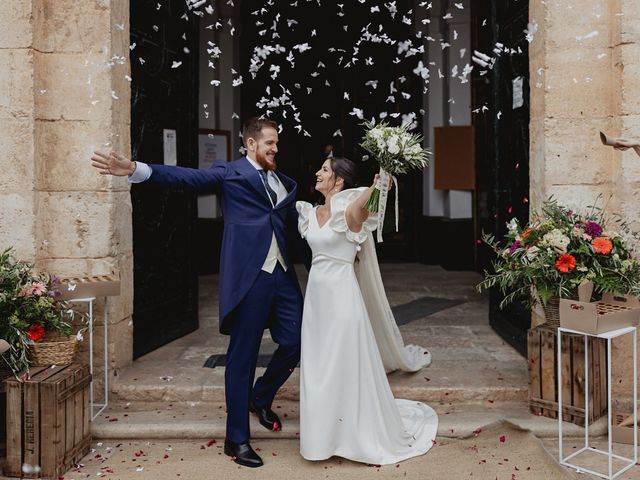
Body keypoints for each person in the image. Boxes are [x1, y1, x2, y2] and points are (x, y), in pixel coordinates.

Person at [91, 117, 307, 468]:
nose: (275, 149)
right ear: (251, 144)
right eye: (270, 143)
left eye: (277, 143)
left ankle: (261, 396)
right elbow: (187, 178)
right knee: (243, 357)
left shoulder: (283, 181)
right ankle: (236, 440)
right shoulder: (229, 172)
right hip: (250, 277)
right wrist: (135, 168)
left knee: (297, 342)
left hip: (282, 276)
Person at [296, 157, 437, 465]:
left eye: (324, 169)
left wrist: (379, 181)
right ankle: (320, 439)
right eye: (318, 168)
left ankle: (350, 436)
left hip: (343, 299)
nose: (317, 173)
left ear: (339, 180)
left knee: (342, 364)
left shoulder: (351, 212)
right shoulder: (309, 212)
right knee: (318, 367)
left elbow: (367, 201)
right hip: (316, 301)